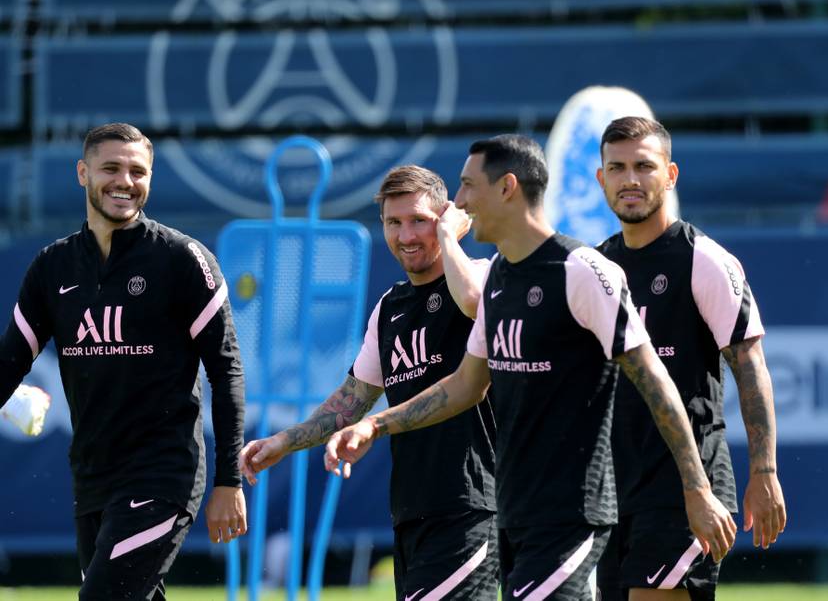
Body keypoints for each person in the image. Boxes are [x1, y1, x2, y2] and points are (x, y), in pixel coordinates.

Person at [324, 135, 737, 600]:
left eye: (467, 186)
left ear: (507, 188)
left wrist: (697, 488)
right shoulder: (501, 277)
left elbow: (655, 382)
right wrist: (375, 425)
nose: (458, 203)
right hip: (516, 515)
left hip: (572, 514)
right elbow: (463, 386)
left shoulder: (581, 268)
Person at [0, 123, 247, 600]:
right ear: (82, 172)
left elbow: (226, 370)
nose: (125, 181)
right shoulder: (53, 267)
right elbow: (10, 363)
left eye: (138, 171)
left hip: (163, 474)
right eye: (111, 168)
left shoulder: (183, 259)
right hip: (92, 476)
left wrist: (228, 481)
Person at [239, 165, 499, 600]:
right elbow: (352, 399)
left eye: (420, 220)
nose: (407, 236)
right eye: (393, 223)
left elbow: (473, 303)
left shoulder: (484, 276)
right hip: (412, 509)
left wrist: (452, 238)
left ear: (449, 216)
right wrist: (284, 441)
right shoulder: (390, 307)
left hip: (471, 503)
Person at [594, 116, 787, 601]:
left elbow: (750, 366)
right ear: (601, 178)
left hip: (685, 483)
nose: (630, 180)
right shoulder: (595, 267)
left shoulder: (703, 259)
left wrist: (764, 472)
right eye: (617, 168)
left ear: (671, 174)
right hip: (610, 490)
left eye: (644, 166)